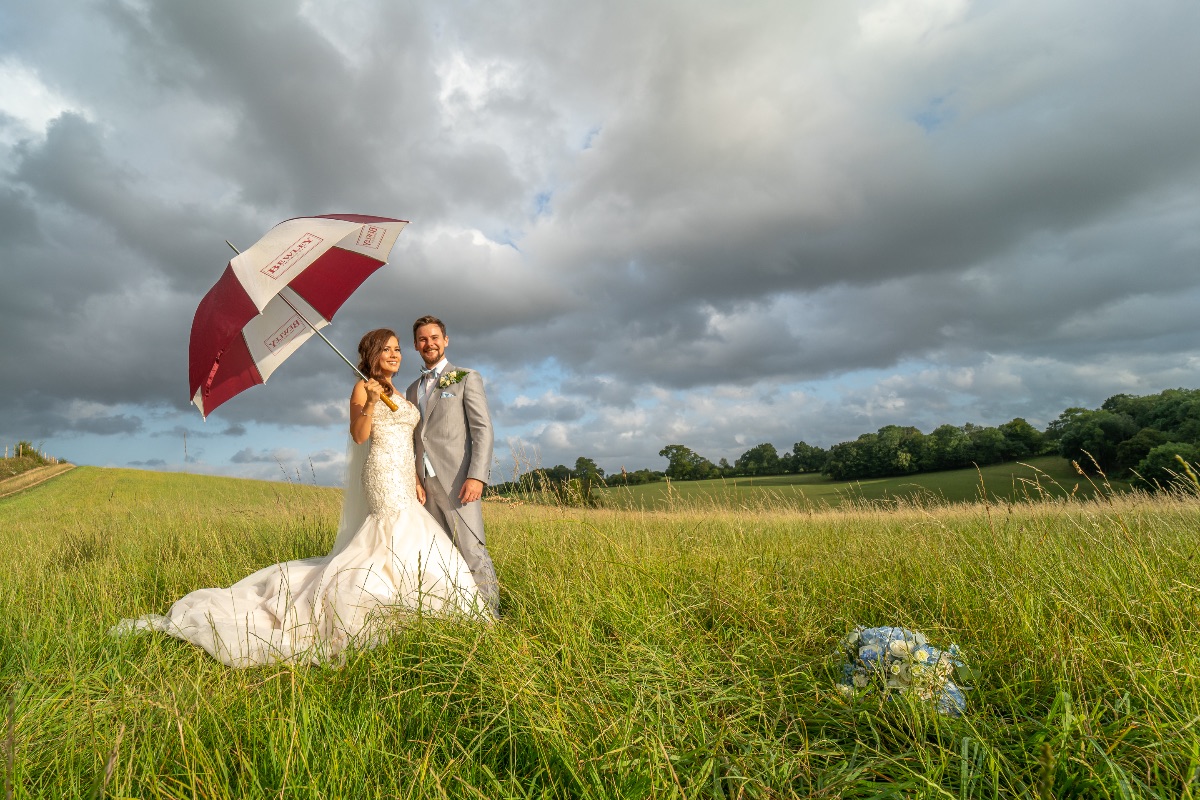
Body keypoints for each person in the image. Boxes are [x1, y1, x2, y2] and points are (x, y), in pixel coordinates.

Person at [111, 328, 488, 667]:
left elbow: (409, 440)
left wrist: (415, 478)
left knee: (411, 537)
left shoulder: (405, 393)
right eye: (386, 349)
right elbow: (359, 435)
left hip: (405, 477)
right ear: (371, 354)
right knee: (390, 534)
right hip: (381, 476)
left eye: (397, 349)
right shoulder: (363, 388)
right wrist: (371, 401)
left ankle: (430, 601)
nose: (395, 355)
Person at [405, 315, 500, 616]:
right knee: (440, 555)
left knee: (472, 550)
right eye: (422, 339)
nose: (428, 343)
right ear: (415, 345)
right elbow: (414, 438)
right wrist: (416, 480)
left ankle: (492, 618)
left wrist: (477, 476)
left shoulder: (465, 377)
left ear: (446, 340)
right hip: (425, 487)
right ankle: (459, 616)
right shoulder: (410, 390)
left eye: (434, 337)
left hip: (458, 481)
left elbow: (482, 430)